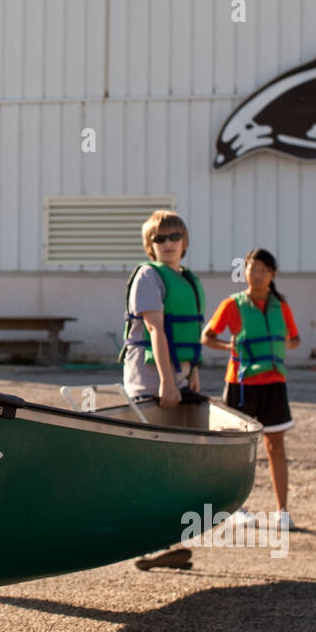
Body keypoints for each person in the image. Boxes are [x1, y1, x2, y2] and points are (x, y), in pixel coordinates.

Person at [119, 210, 207, 570]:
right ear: (149, 245)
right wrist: (168, 383)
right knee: (152, 460)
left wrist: (192, 373)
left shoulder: (186, 278)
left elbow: (189, 331)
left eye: (174, 237)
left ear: (185, 241)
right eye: (160, 238)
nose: (168, 244)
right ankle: (144, 543)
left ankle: (167, 542)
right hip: (151, 379)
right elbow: (156, 330)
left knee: (177, 462)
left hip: (179, 377)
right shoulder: (148, 277)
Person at [201, 248, 301, 529]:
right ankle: (236, 509)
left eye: (263, 270)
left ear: (273, 274)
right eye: (251, 269)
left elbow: (295, 339)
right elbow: (206, 337)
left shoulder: (281, 306)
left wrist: (279, 349)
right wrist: (228, 346)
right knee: (239, 448)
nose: (256, 275)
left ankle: (282, 511)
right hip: (241, 384)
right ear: (244, 271)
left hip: (273, 384)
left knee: (276, 446)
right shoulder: (232, 305)